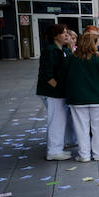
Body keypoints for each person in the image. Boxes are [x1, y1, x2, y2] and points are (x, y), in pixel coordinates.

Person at [63, 31, 99, 162]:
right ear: (93, 43)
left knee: (81, 128)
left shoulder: (71, 58)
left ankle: (84, 155)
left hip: (77, 98)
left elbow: (63, 75)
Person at [37, 23, 73, 160]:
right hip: (53, 93)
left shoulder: (63, 50)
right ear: (55, 36)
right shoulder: (50, 50)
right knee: (56, 121)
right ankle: (54, 151)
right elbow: (46, 74)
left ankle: (57, 148)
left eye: (67, 32)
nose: (66, 35)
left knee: (60, 120)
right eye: (63, 33)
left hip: (60, 92)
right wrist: (57, 88)